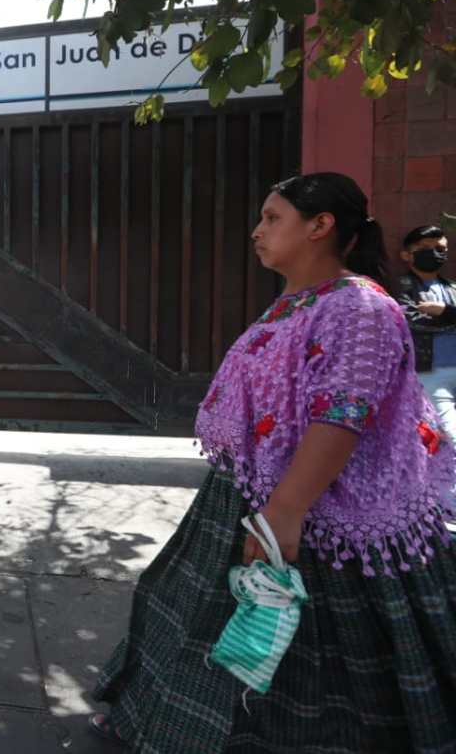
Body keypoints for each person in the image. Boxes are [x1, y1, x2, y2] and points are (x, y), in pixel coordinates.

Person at [89, 173, 456, 752]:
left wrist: (285, 511)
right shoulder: (298, 302)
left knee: (324, 662)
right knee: (203, 622)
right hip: (251, 498)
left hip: (319, 514)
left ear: (320, 225)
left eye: (272, 218)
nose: (257, 231)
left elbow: (342, 413)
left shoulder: (359, 306)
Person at [397, 224, 456, 454]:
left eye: (440, 248)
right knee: (449, 435)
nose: (434, 253)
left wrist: (442, 311)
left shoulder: (452, 287)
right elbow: (412, 321)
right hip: (430, 372)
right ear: (407, 255)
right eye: (425, 247)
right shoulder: (403, 287)